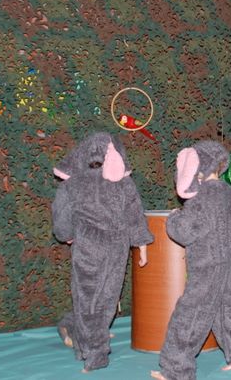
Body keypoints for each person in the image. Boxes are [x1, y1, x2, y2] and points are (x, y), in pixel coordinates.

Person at [151, 140, 231, 380]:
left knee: (190, 316)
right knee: (229, 312)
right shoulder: (227, 192)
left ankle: (176, 370)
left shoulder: (201, 197)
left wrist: (174, 219)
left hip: (205, 265)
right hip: (225, 265)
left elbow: (185, 231)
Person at [51, 132, 153, 372]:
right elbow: (135, 215)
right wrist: (142, 246)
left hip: (89, 246)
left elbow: (62, 219)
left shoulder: (72, 184)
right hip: (117, 248)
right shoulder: (124, 183)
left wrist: (67, 235)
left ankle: (91, 348)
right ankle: (90, 346)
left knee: (87, 299)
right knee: (107, 298)